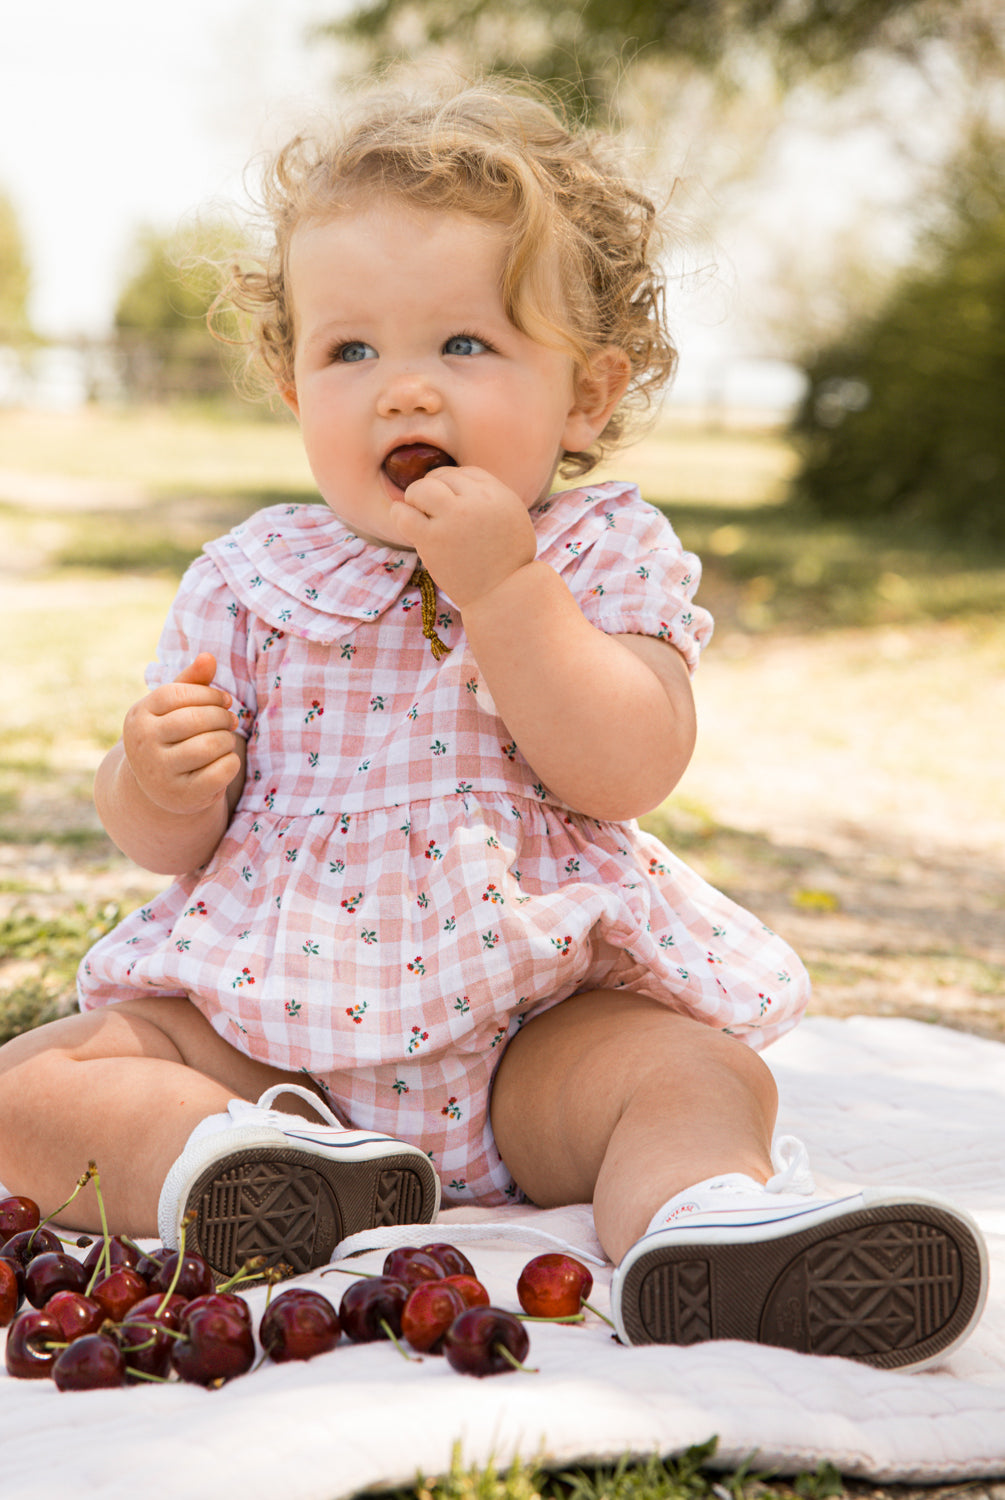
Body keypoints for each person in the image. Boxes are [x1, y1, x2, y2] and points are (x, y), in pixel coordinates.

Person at [0, 76, 986, 1369]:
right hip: (259, 1032)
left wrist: (507, 589)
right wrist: (153, 774)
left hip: (535, 1027)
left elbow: (626, 763)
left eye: (462, 346)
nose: (402, 391)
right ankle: (237, 1167)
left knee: (692, 1075)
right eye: (349, 351)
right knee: (37, 1083)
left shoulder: (596, 552)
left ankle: (708, 1222)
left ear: (585, 395)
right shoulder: (250, 576)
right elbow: (164, 844)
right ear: (295, 391)